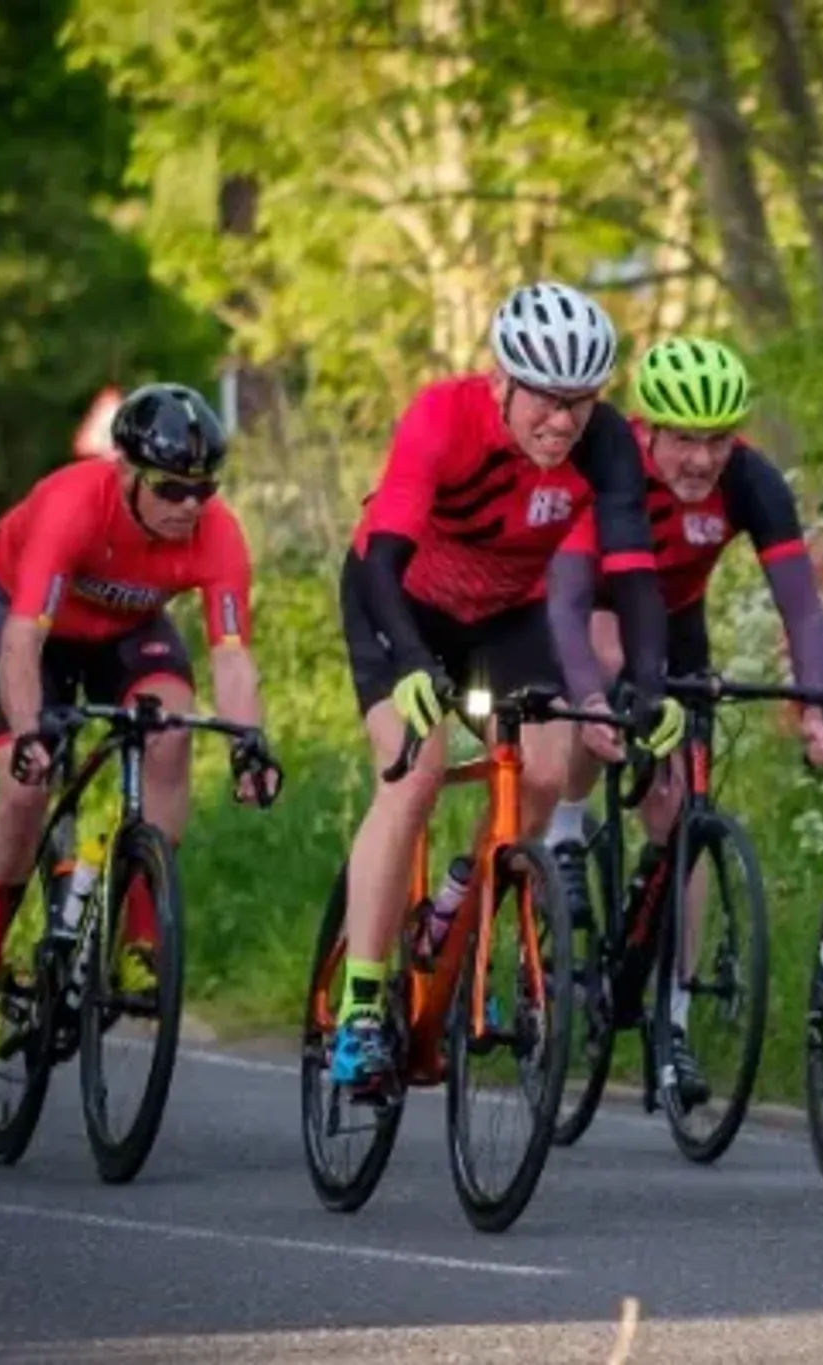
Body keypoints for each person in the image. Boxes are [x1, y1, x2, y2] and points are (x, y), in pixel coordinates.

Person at [332, 281, 683, 1089]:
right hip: (401, 601)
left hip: (504, 615)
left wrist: (651, 686)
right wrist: (417, 664)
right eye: (546, 403)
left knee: (551, 773)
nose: (561, 423)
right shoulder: (442, 416)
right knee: (413, 776)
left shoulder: (606, 447)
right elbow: (384, 559)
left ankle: (460, 896)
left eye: (581, 404)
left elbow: (634, 575)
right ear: (502, 381)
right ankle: (358, 1007)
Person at [542, 336, 823, 1102]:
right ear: (645, 429)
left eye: (718, 439)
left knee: (683, 822)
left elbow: (802, 608)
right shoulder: (609, 471)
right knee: (604, 687)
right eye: (684, 439)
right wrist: (602, 693)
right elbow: (572, 604)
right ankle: (566, 828)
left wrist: (816, 698)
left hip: (677, 625)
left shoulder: (752, 481)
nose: (702, 459)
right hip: (596, 613)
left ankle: (672, 1023)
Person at [0, 383, 281, 1056]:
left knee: (172, 732)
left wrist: (250, 743)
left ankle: (139, 936)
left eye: (203, 488)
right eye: (170, 488)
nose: (189, 505)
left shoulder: (217, 533)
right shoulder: (74, 505)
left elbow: (232, 656)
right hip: (25, 622)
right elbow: (21, 642)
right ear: (128, 473)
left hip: (126, 632)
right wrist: (30, 732)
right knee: (24, 788)